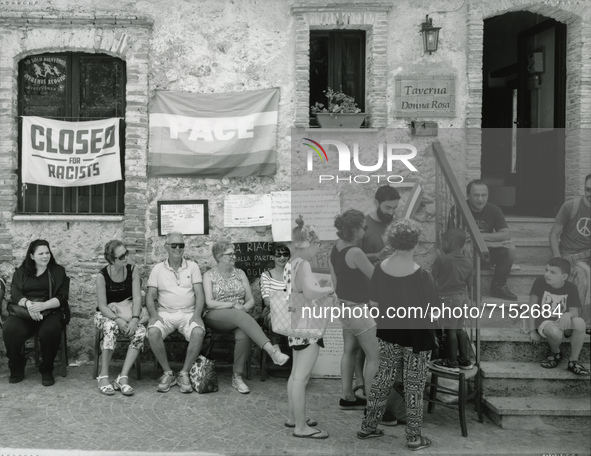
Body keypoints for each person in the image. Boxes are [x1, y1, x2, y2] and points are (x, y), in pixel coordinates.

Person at [358, 220, 437, 451]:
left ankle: (368, 427)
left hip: (388, 333)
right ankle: (413, 438)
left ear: (391, 242)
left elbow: (373, 304)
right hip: (417, 338)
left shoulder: (380, 269)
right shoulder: (423, 275)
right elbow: (433, 312)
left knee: (383, 380)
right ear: (415, 243)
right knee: (414, 387)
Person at [203, 241, 290, 394]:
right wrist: (232, 305)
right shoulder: (209, 275)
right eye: (230, 254)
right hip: (215, 315)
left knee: (243, 334)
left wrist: (243, 307)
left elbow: (251, 300)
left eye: (234, 253)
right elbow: (209, 303)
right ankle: (272, 350)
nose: (234, 256)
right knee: (239, 315)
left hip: (240, 315)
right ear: (218, 257)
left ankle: (237, 377)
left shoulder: (240, 273)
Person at [285, 215, 335, 439]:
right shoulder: (304, 264)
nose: (319, 248)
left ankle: (293, 417)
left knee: (295, 374)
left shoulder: (290, 263)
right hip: (307, 326)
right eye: (317, 244)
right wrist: (329, 289)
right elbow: (310, 293)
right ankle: (301, 427)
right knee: (301, 378)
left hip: (294, 325)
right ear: (310, 243)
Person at [329, 210, 379, 410]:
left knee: (349, 350)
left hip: (343, 306)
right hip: (358, 309)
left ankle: (347, 396)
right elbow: (376, 277)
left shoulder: (337, 248)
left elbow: (336, 278)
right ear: (354, 230)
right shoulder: (356, 252)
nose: (365, 232)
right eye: (363, 228)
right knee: (375, 356)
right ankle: (374, 405)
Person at [3, 239, 70, 386]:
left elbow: (62, 297)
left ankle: (46, 369)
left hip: (51, 311)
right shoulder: (21, 272)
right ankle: (17, 366)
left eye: (47, 253)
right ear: (32, 256)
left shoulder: (58, 271)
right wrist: (29, 305)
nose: (45, 256)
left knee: (49, 331)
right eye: (41, 253)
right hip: (25, 312)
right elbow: (15, 294)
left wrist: (43, 305)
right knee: (10, 329)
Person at [146, 232, 206, 394]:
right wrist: (153, 315)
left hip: (188, 313)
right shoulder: (158, 269)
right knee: (152, 332)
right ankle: (168, 373)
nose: (178, 248)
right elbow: (150, 297)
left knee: (198, 332)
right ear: (166, 247)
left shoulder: (192, 266)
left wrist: (197, 315)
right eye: (174, 245)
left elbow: (200, 295)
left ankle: (184, 373)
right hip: (165, 313)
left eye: (181, 245)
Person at [448, 179, 518, 300]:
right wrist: (491, 242)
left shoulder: (494, 210)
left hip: (485, 255)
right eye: (476, 195)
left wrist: (480, 237)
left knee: (510, 248)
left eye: (484, 195)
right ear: (468, 195)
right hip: (466, 257)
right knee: (468, 247)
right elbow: (458, 240)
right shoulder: (458, 210)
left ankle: (498, 287)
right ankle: (471, 287)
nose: (480, 199)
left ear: (488, 195)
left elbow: (506, 234)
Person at [94, 240, 147, 396]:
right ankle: (103, 376)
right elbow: (102, 306)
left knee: (141, 331)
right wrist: (117, 319)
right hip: (106, 315)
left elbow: (137, 298)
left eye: (126, 253)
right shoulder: (102, 276)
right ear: (112, 260)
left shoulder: (132, 270)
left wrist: (135, 319)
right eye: (121, 256)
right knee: (110, 327)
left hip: (128, 313)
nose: (126, 257)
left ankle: (122, 377)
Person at [528, 257, 589, 375]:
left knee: (580, 322)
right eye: (546, 270)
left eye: (552, 272)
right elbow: (532, 308)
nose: (547, 274)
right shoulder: (539, 282)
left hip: (563, 322)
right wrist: (532, 331)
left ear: (564, 277)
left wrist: (568, 314)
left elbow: (574, 312)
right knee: (556, 333)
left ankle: (573, 361)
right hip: (545, 322)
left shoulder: (571, 287)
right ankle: (555, 352)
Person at [549, 173, 591, 328]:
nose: (590, 194)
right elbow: (554, 235)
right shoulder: (570, 206)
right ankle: (581, 322)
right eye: (588, 189)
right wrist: (557, 259)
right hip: (570, 255)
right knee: (584, 273)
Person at [430, 228, 474, 372]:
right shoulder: (468, 261)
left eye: (443, 241)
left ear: (448, 242)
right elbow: (470, 283)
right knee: (459, 329)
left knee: (449, 330)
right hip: (464, 298)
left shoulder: (442, 258)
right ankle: (464, 360)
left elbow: (432, 278)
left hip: (449, 298)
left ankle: (451, 362)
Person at [260, 243, 291, 347]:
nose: (282, 257)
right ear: (272, 257)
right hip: (272, 311)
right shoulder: (266, 275)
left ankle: (296, 353)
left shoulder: (294, 274)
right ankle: (275, 350)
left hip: (291, 310)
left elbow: (298, 296)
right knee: (275, 318)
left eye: (285, 254)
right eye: (278, 255)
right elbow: (267, 301)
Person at [361, 185, 401, 264]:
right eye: (387, 207)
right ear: (376, 203)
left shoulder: (397, 223)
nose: (391, 213)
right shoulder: (362, 225)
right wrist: (377, 255)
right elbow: (352, 256)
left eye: (394, 208)